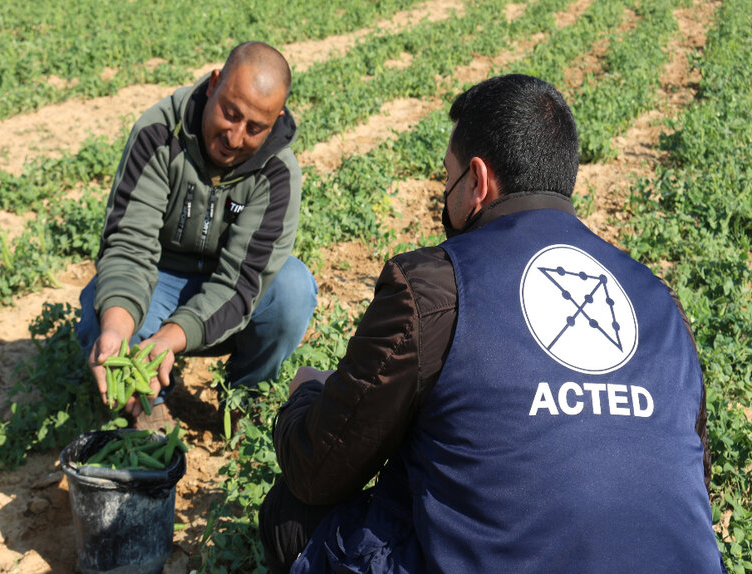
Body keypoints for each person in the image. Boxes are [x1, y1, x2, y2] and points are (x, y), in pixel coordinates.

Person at [258, 74, 725, 573]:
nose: (443, 193)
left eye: (447, 177)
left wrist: (307, 395)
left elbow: (320, 469)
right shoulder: (660, 300)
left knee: (292, 512)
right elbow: (694, 475)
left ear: (477, 181)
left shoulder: (433, 286)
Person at [76, 41, 317, 430]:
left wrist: (169, 338)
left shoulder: (277, 174)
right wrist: (118, 329)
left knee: (292, 290)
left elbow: (241, 285)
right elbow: (128, 245)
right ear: (214, 84)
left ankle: (243, 399)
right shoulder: (159, 133)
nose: (235, 137)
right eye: (230, 113)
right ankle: (145, 403)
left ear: (276, 122)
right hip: (158, 279)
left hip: (228, 291)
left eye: (255, 128)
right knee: (100, 311)